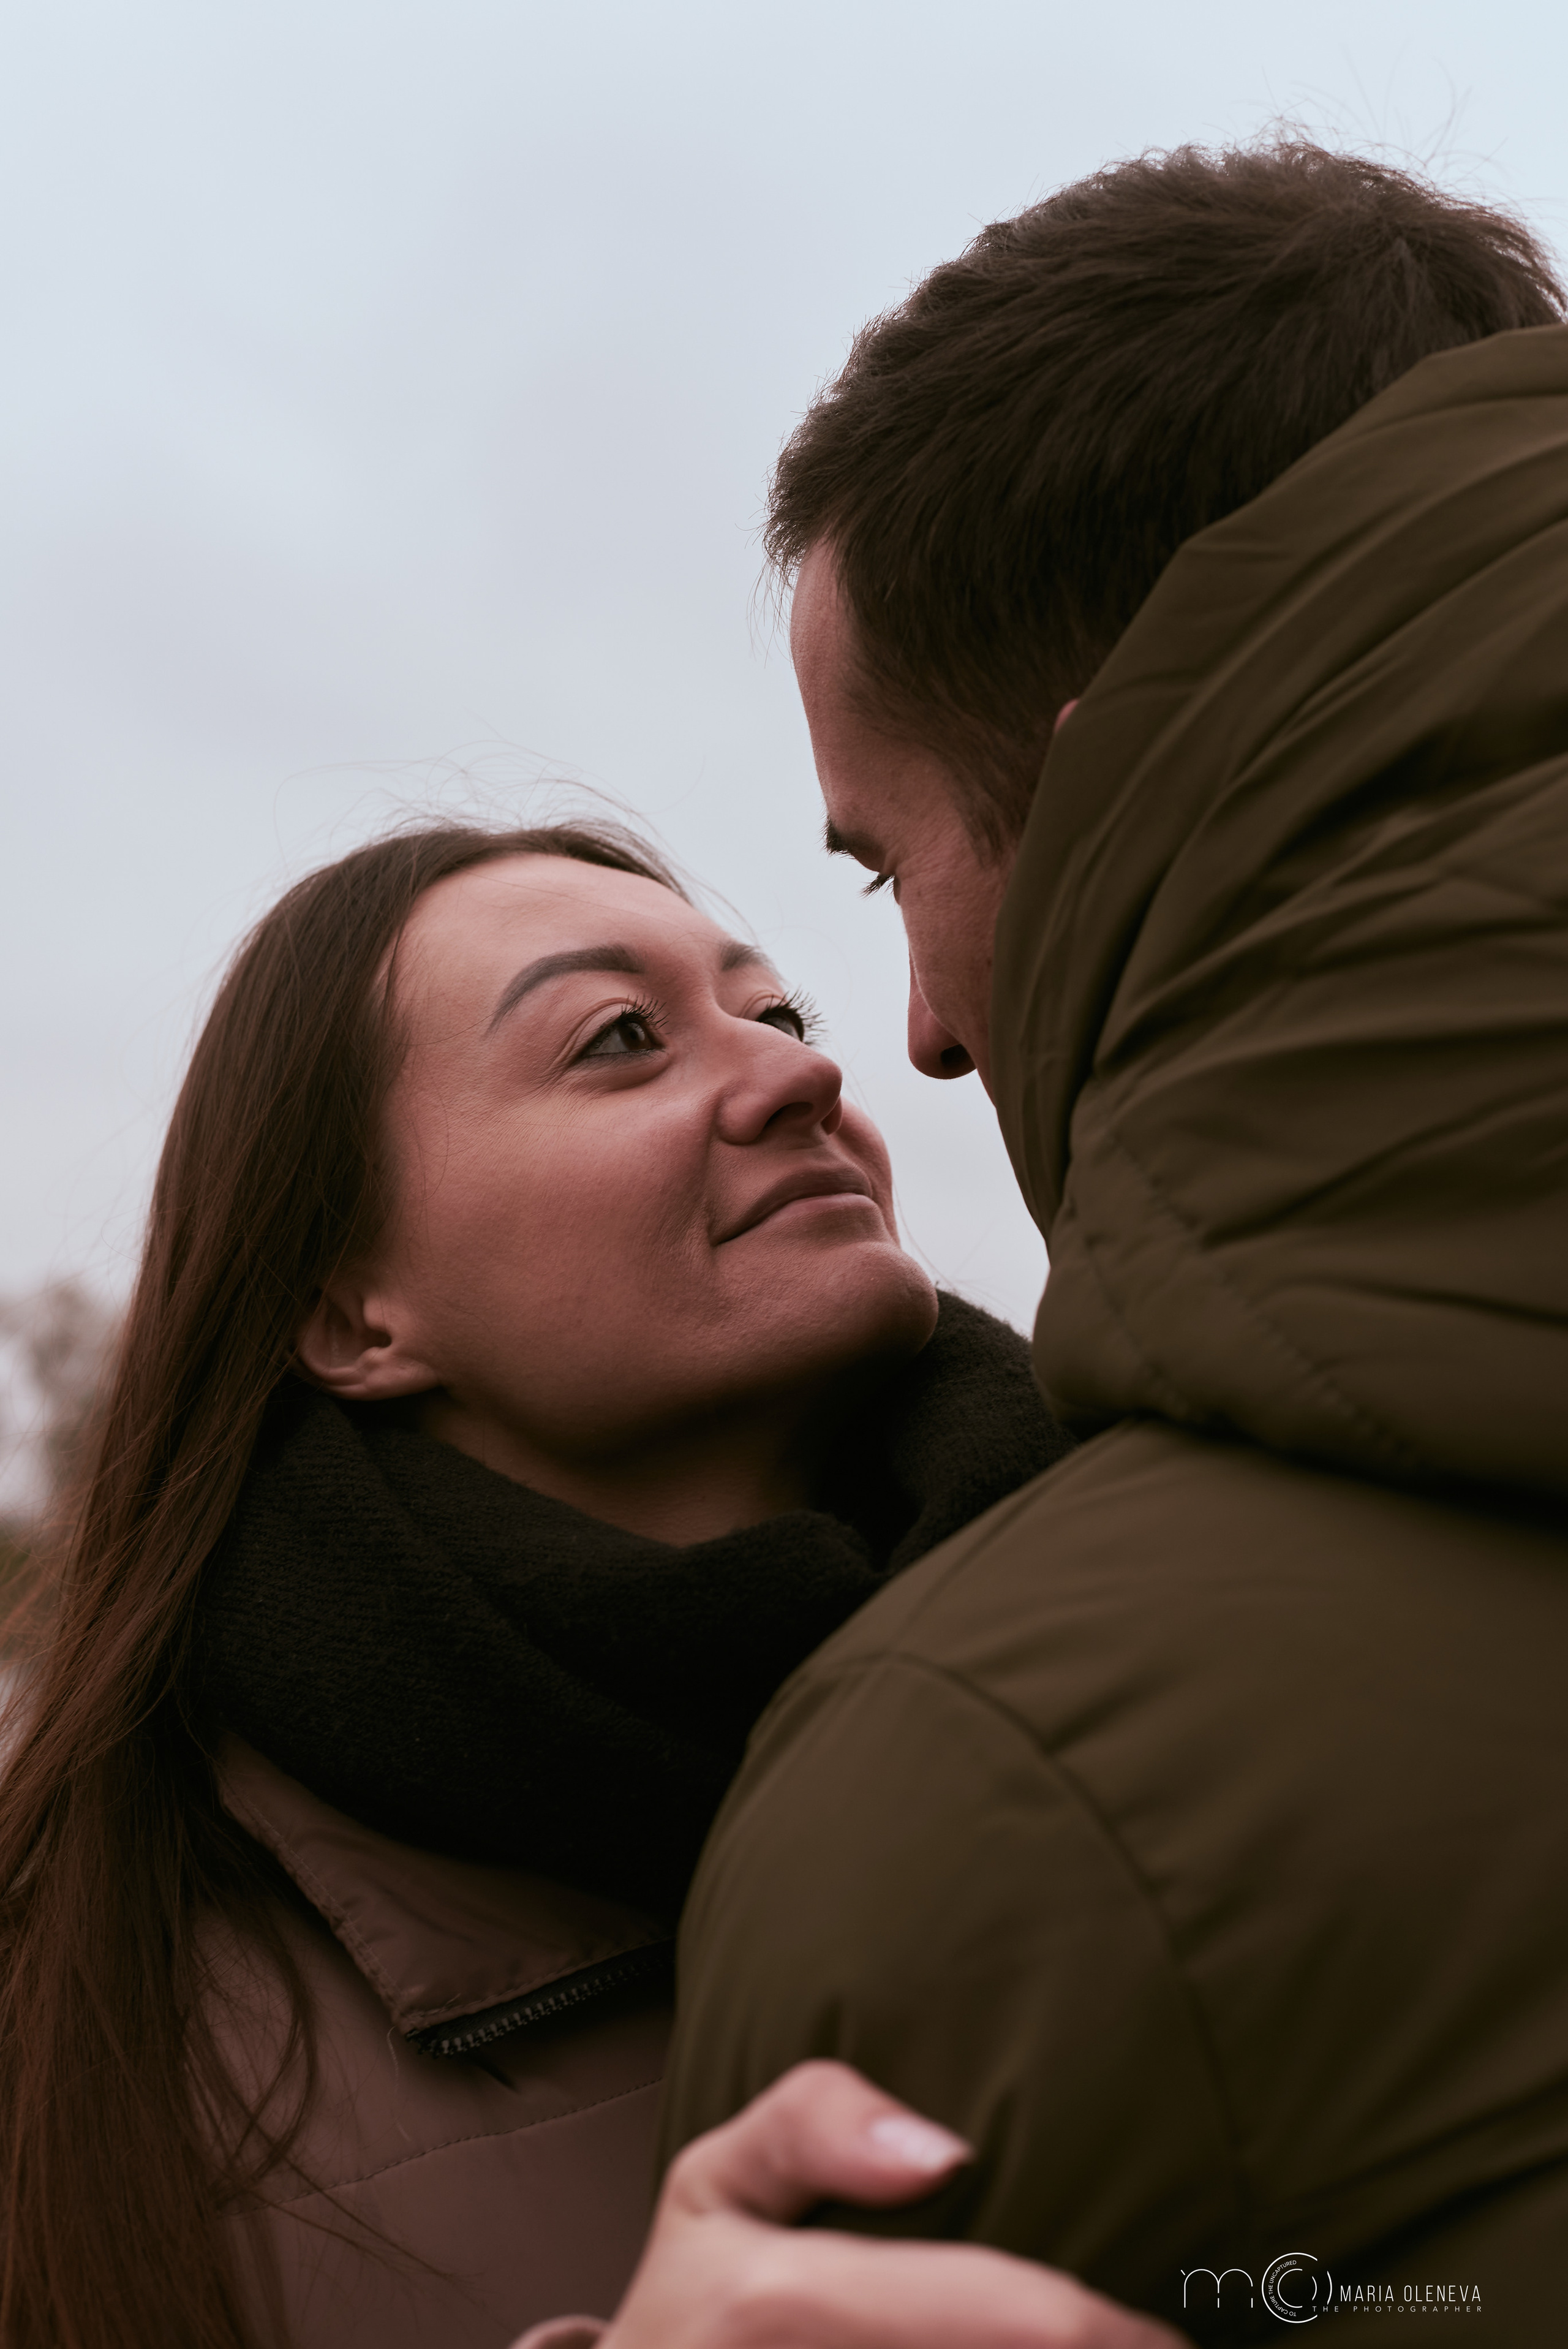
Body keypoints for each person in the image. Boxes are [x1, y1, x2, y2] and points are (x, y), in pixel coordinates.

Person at [658, 140, 1568, 2339]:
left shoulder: (999, 1796)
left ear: (1115, 783)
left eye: (877, 882)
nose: (913, 1041)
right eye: (614, 1032)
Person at [0, 818, 1177, 2349]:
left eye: (776, 1015)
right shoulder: (75, 2029)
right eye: (619, 1039)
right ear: (354, 1314)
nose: (801, 1072)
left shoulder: (1207, 1708)